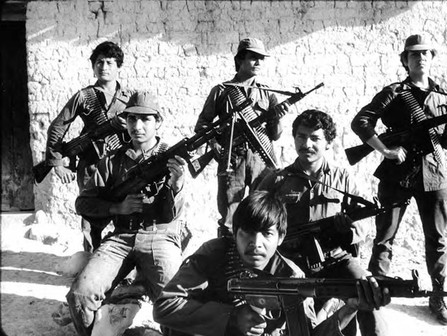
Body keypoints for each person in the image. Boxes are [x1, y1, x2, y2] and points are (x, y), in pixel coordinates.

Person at [153, 190, 390, 336]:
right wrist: (231, 318)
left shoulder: (291, 276)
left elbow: (307, 334)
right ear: (234, 233)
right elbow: (165, 306)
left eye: (266, 234)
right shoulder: (214, 254)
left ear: (281, 238)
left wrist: (351, 308)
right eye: (247, 232)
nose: (256, 243)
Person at [350, 34, 447, 325]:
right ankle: (374, 294)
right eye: (414, 55)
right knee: (385, 237)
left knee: (436, 239)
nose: (421, 58)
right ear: (405, 61)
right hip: (397, 175)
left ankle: (438, 295)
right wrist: (386, 150)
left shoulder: (445, 95)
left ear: (432, 58)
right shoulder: (394, 92)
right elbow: (361, 122)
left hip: (433, 173)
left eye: (425, 53)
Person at [257, 109, 387, 336]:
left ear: (328, 143)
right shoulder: (276, 180)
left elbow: (363, 225)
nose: (306, 143)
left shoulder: (342, 179)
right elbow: (253, 222)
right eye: (301, 136)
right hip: (288, 263)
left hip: (334, 260)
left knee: (368, 291)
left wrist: (347, 232)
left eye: (315, 138)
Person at [67, 91, 186, 336]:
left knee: (176, 302)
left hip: (160, 237)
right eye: (132, 119)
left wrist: (177, 184)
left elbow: (175, 214)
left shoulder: (172, 159)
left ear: (158, 122)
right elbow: (83, 203)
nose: (137, 126)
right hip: (121, 237)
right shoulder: (111, 161)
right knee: (80, 294)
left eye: (145, 120)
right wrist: (116, 208)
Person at [194, 37, 290, 236]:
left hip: (260, 159)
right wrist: (214, 145)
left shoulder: (267, 94)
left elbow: (275, 135)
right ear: (240, 60)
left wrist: (277, 118)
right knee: (230, 217)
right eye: (253, 58)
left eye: (261, 59)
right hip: (232, 158)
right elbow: (202, 124)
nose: (258, 63)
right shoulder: (222, 91)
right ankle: (227, 262)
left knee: (260, 215)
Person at [45, 41, 132, 252]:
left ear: (118, 66)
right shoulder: (84, 96)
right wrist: (57, 164)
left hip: (120, 165)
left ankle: (120, 261)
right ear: (93, 66)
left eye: (110, 62)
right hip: (91, 165)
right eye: (99, 62)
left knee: (125, 213)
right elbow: (57, 128)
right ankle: (90, 261)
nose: (104, 66)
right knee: (91, 215)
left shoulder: (130, 98)